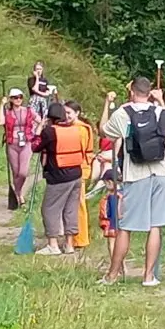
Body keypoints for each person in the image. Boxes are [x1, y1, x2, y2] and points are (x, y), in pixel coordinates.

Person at [99, 76, 165, 286]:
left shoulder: (123, 112)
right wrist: (160, 101)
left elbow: (104, 131)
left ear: (132, 92)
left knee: (126, 227)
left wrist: (107, 105)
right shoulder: (159, 111)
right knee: (155, 225)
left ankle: (112, 276)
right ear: (150, 92)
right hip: (161, 172)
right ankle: (148, 276)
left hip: (136, 173)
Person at [32, 102, 85, 255]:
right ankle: (69, 245)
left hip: (58, 177)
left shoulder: (50, 132)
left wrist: (39, 129)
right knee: (71, 209)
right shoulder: (75, 129)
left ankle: (53, 245)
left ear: (50, 117)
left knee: (49, 209)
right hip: (76, 175)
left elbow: (35, 147)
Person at [65, 99, 97, 250]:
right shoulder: (70, 127)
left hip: (80, 168)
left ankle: (81, 238)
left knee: (79, 204)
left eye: (69, 113)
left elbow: (80, 149)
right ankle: (74, 236)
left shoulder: (81, 129)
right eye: (64, 113)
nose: (66, 116)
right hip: (74, 169)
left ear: (77, 113)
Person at [0, 88, 35, 205]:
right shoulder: (7, 112)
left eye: (20, 97)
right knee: (15, 172)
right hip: (12, 143)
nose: (18, 99)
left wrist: (39, 131)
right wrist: (2, 105)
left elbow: (40, 120)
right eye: (15, 97)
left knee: (23, 172)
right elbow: (0, 122)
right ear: (11, 99)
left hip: (26, 143)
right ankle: (19, 195)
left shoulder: (28, 110)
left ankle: (17, 192)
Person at [98, 169, 120, 262]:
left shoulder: (111, 196)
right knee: (121, 245)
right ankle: (123, 266)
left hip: (112, 224)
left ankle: (114, 265)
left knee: (112, 244)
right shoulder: (122, 194)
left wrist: (111, 227)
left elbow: (112, 212)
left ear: (109, 182)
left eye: (105, 183)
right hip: (122, 225)